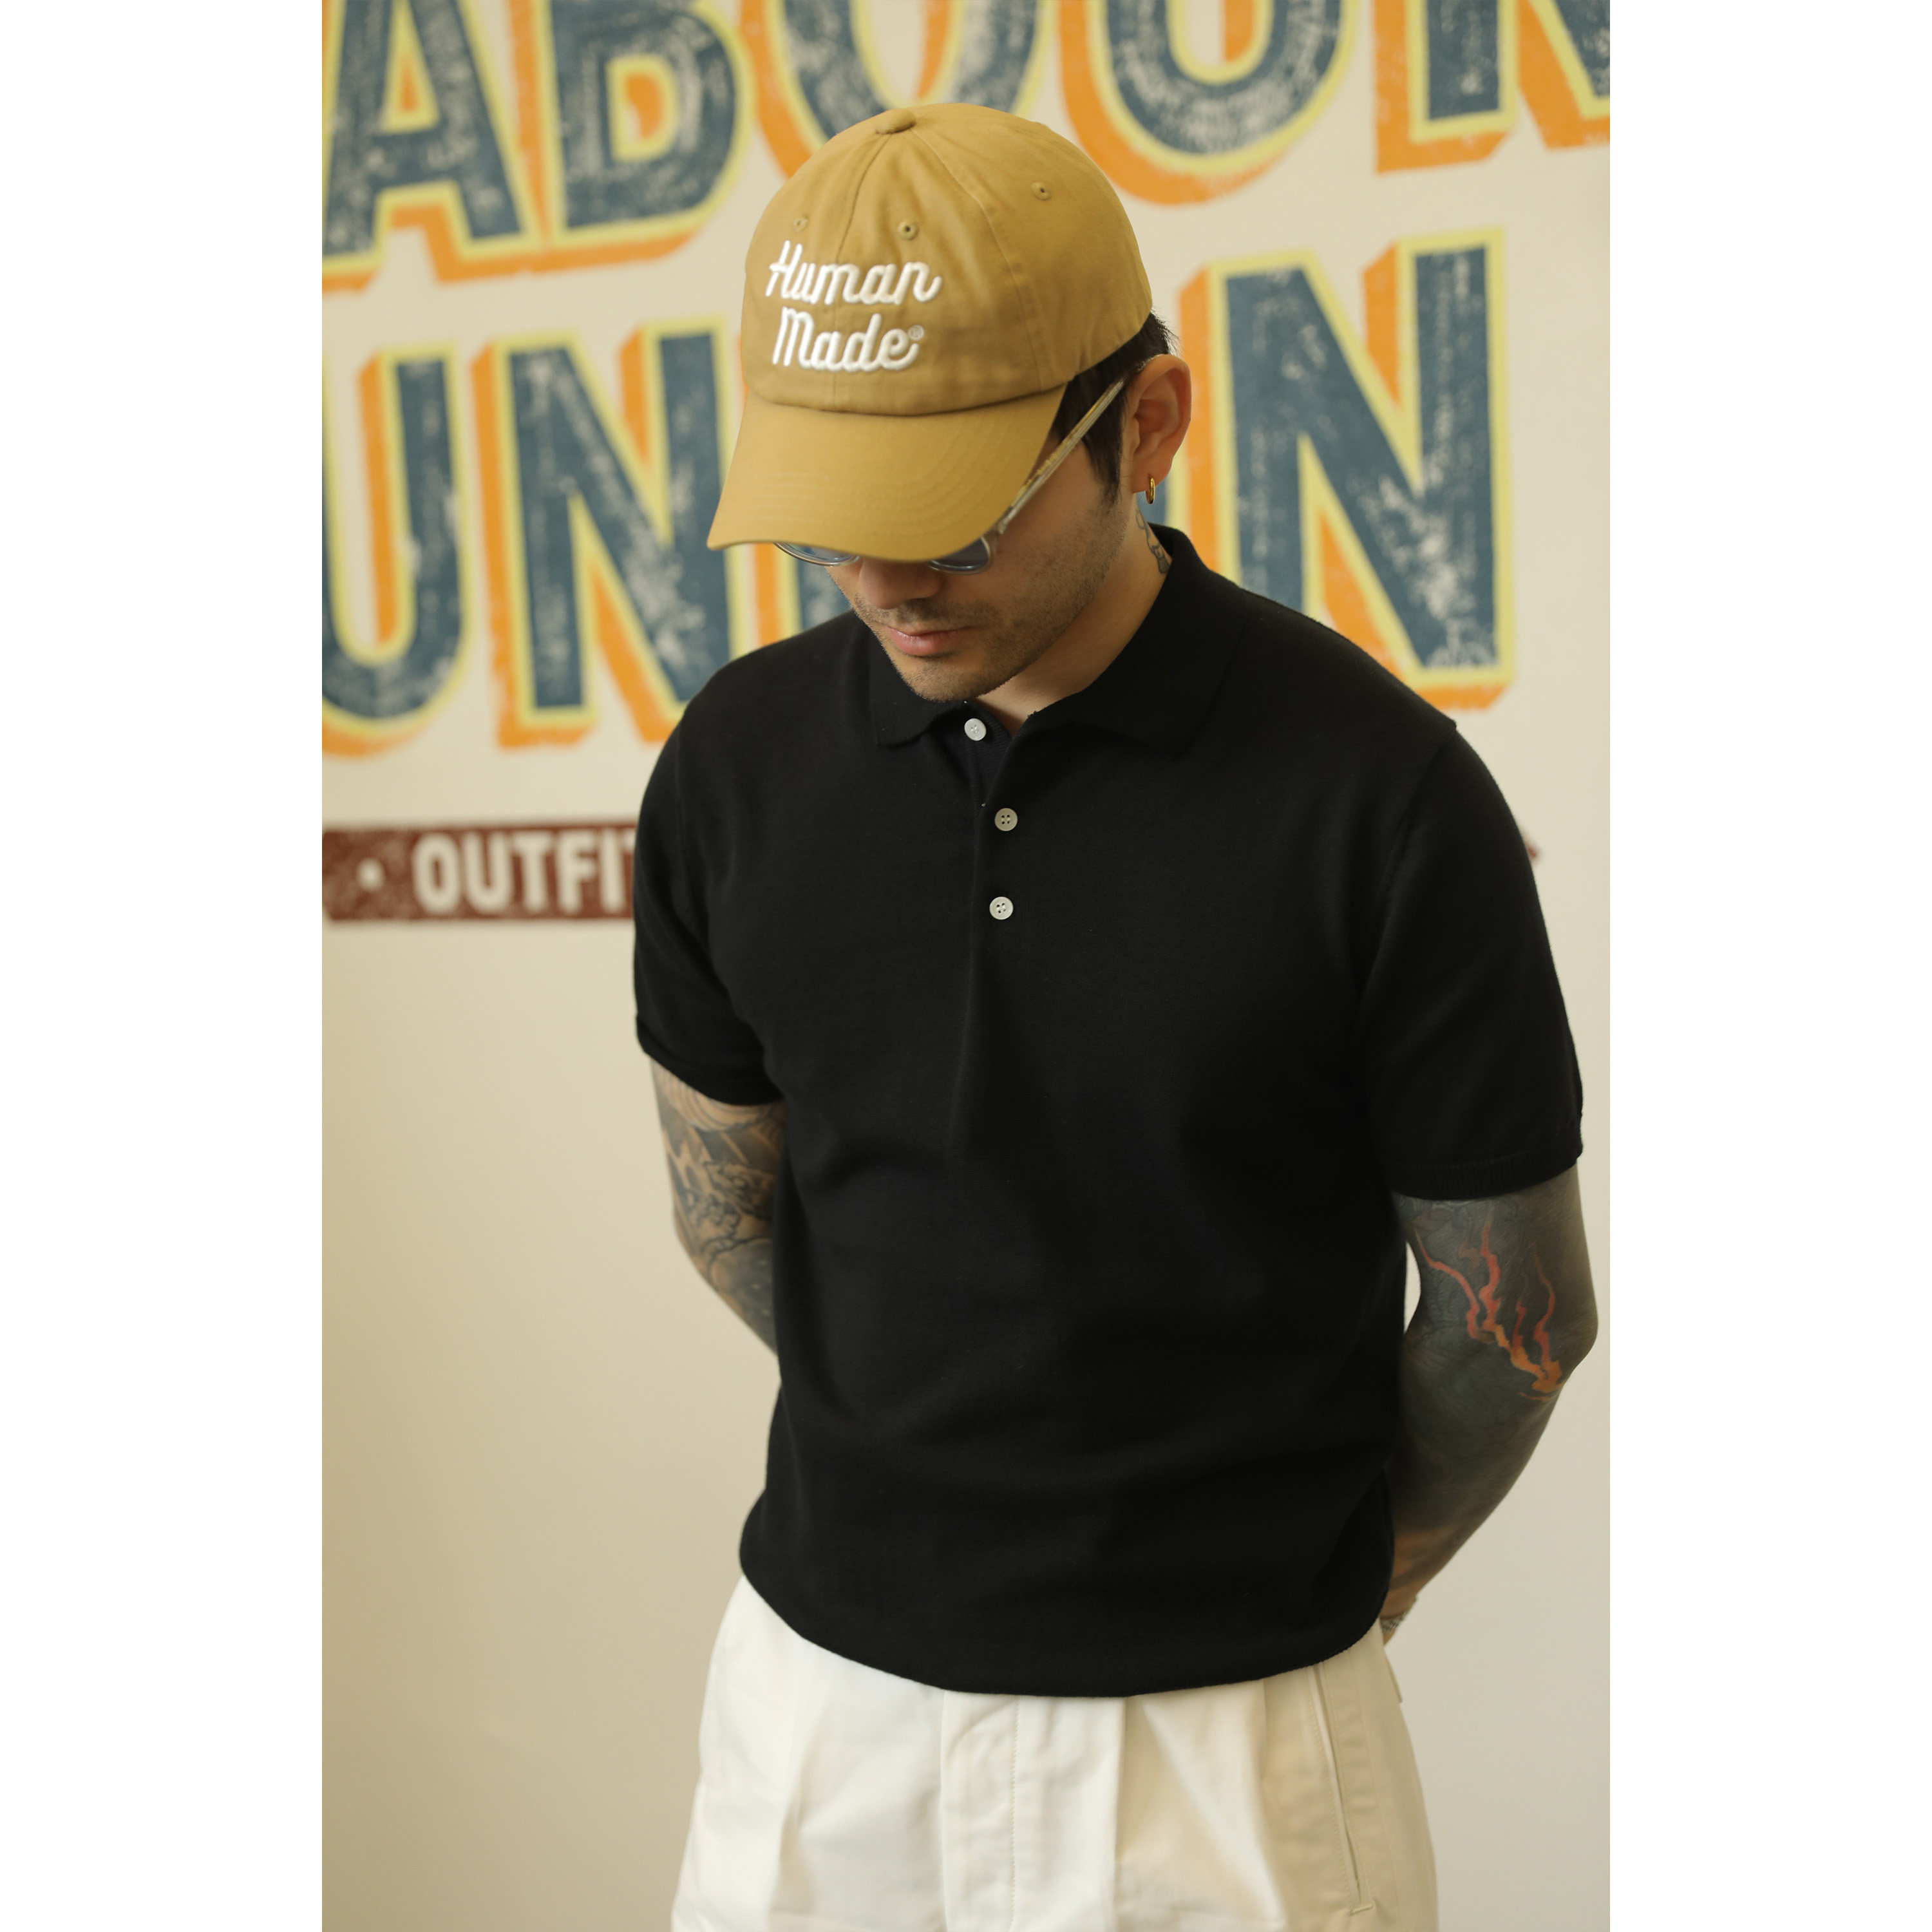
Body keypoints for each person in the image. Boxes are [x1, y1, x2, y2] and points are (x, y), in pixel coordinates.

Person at [632, 102, 1595, 1932]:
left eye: (956, 513)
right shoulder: (737, 765)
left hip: (1229, 1746)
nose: (888, 581)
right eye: (838, 518)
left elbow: (1514, 1327)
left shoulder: (1379, 797)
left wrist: (1332, 1581)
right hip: (821, 1720)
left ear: (1145, 425)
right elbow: (728, 1207)